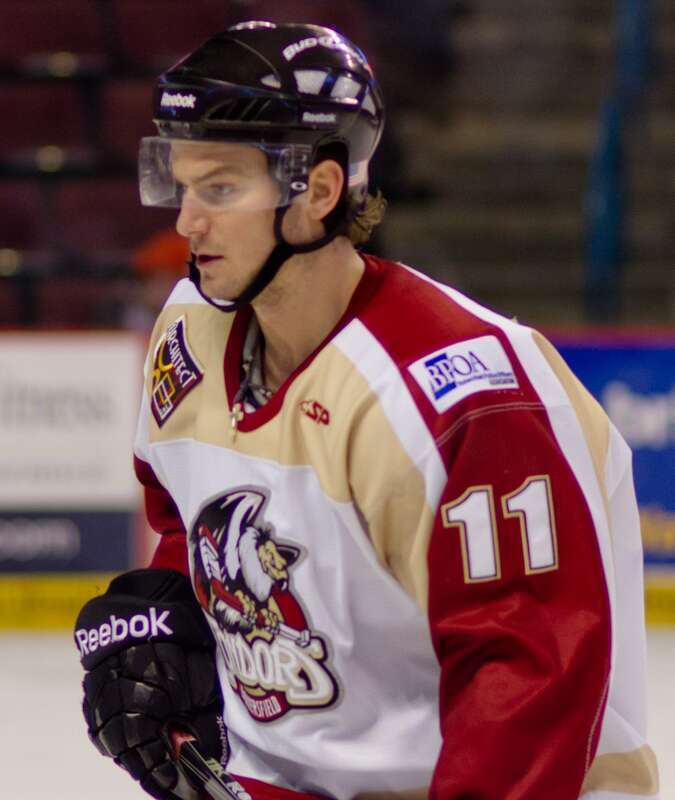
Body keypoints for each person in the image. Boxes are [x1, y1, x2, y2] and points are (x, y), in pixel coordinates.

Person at [73, 21, 659, 800]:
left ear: (317, 191)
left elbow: (525, 682)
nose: (186, 222)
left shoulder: (464, 396)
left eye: (220, 189)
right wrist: (167, 616)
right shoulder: (189, 329)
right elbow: (187, 519)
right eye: (180, 186)